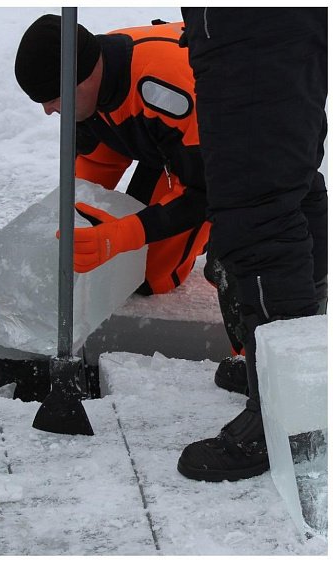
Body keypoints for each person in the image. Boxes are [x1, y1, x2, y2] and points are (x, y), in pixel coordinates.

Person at [2, 15, 240, 396]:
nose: (47, 111)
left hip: (218, 149)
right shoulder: (90, 83)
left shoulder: (167, 90)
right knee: (115, 242)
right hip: (164, 137)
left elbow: (206, 192)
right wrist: (69, 216)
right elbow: (97, 161)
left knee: (154, 274)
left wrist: (122, 235)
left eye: (51, 97)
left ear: (82, 79)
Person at [176, 8, 327, 482]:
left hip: (247, 33)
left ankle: (284, 412)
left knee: (256, 208)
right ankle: (292, 371)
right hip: (271, 29)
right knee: (290, 187)